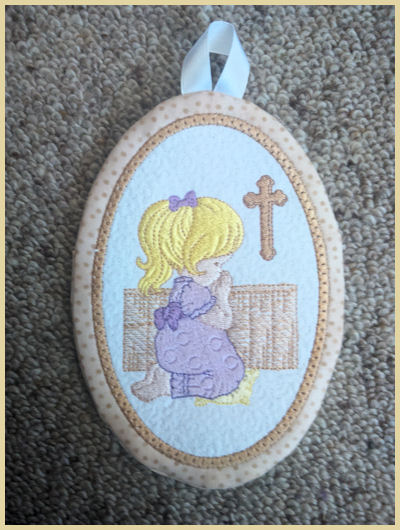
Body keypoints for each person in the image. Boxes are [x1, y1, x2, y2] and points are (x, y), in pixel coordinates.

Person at [131, 191, 245, 402]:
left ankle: (162, 374)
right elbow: (223, 321)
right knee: (227, 379)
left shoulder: (181, 287)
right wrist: (222, 295)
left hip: (178, 352)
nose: (219, 271)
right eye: (216, 263)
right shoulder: (196, 292)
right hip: (194, 355)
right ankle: (167, 384)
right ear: (193, 257)